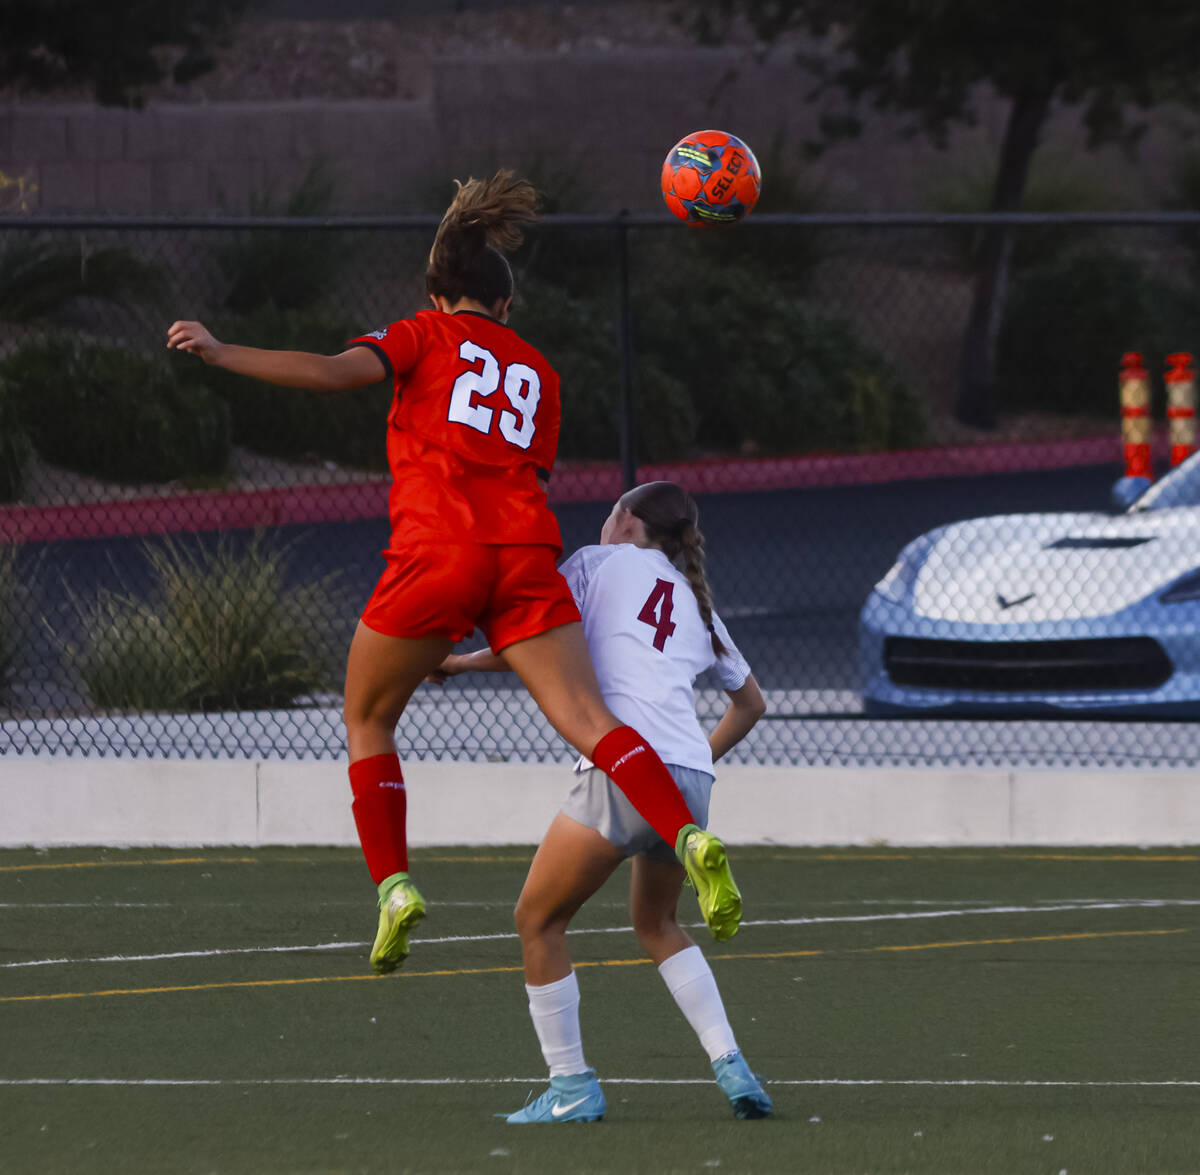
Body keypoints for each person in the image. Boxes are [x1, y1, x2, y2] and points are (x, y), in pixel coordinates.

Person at [165, 172, 741, 975]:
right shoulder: (540, 372)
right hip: (524, 556)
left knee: (368, 719)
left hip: (437, 551)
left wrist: (223, 351)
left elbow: (334, 374)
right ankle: (687, 830)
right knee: (592, 720)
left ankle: (395, 885)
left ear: (438, 295)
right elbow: (524, 470)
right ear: (504, 307)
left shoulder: (419, 335)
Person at [428, 481, 771, 1123]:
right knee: (658, 924)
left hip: (621, 766)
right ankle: (734, 1068)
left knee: (538, 920)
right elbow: (751, 704)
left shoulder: (595, 562)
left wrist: (458, 663)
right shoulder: (697, 602)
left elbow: (533, 642)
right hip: (690, 781)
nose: (605, 521)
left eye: (612, 512)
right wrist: (688, 765)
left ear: (628, 524)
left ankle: (571, 1086)